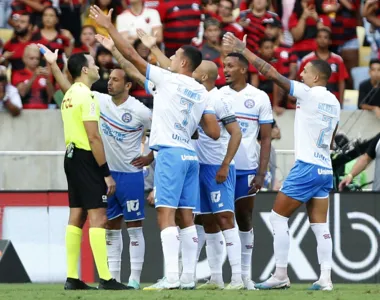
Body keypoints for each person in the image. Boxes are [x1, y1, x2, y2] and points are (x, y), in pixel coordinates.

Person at [89, 6, 220, 290]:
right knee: (187, 216)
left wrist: (110, 27)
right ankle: (187, 278)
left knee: (165, 214)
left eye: (174, 57)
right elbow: (213, 130)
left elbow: (133, 57)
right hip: (189, 155)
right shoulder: (200, 90)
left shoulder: (169, 79)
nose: (169, 60)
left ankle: (171, 277)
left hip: (171, 154)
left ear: (184, 63)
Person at [222, 32, 340, 291]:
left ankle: (281, 274)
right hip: (324, 167)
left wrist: (245, 50)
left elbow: (271, 73)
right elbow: (331, 139)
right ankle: (326, 278)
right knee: (320, 225)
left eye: (306, 71)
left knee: (277, 217)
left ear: (317, 77)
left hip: (307, 166)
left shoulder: (310, 94)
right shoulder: (334, 101)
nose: (302, 74)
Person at [37, 45, 129, 290]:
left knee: (76, 216)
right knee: (98, 216)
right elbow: (94, 137)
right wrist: (106, 173)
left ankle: (72, 278)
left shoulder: (70, 95)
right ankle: (106, 279)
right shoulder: (87, 97)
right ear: (86, 70)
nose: (99, 66)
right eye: (94, 63)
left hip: (70, 157)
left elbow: (65, 84)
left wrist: (53, 64)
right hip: (86, 158)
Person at [220, 52, 273, 289]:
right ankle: (219, 276)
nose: (226, 70)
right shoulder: (217, 95)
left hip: (247, 170)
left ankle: (246, 276)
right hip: (221, 168)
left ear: (243, 69)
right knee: (216, 219)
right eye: (224, 66)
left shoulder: (260, 97)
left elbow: (266, 138)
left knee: (244, 218)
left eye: (230, 66)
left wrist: (262, 173)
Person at [192, 60, 243, 290]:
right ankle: (216, 278)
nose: (190, 73)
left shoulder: (218, 99)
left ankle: (238, 278)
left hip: (216, 168)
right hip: (199, 167)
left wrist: (225, 165)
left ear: (203, 77)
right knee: (207, 221)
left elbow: (236, 133)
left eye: (195, 71)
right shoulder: (197, 97)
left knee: (225, 219)